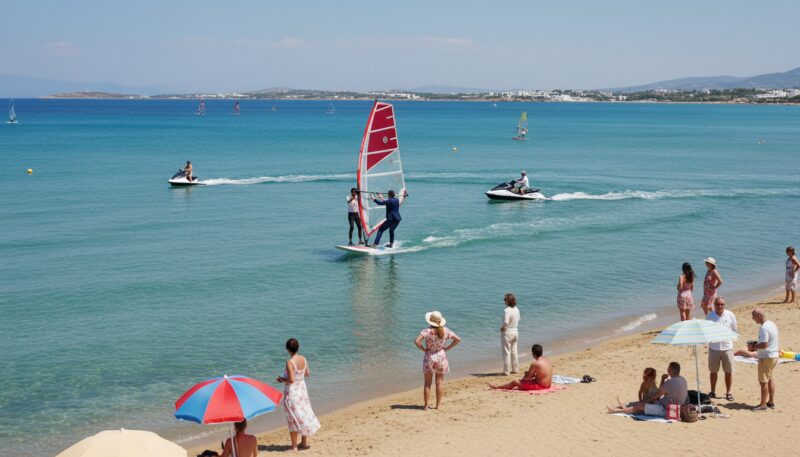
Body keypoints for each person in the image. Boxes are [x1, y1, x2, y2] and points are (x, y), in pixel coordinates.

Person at [276, 338, 320, 450]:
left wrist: (281, 379)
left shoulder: (290, 362)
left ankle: (294, 446)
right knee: (303, 415)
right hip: (302, 390)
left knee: (292, 417)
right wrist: (299, 375)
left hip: (293, 392)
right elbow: (308, 373)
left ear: (287, 349)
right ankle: (304, 443)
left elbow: (291, 380)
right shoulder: (304, 359)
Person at [414, 311, 461, 410]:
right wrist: (447, 348)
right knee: (439, 382)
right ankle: (438, 406)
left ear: (430, 321)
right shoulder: (445, 330)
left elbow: (417, 341)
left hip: (429, 356)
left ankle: (426, 406)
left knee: (427, 383)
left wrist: (423, 349)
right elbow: (458, 339)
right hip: (441, 356)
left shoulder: (426, 331)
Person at [606, 362, 688, 416]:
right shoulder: (683, 380)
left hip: (666, 410)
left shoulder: (670, 382)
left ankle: (614, 411)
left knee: (639, 406)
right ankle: (621, 407)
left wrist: (644, 402)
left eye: (668, 368)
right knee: (641, 405)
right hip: (677, 409)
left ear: (669, 370)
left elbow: (656, 396)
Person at [706, 297, 737, 400]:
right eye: (717, 304)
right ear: (714, 305)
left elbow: (734, 330)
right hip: (714, 348)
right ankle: (712, 391)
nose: (720, 306)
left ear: (724, 305)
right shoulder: (709, 317)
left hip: (727, 348)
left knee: (728, 372)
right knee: (713, 372)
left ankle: (729, 392)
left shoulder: (730, 315)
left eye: (722, 304)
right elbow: (706, 332)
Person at [751, 308, 779, 411]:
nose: (753, 319)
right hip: (774, 355)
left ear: (759, 316)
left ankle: (763, 405)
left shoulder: (764, 328)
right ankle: (770, 401)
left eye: (754, 316)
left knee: (763, 382)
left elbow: (764, 344)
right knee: (770, 379)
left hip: (767, 357)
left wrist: (754, 347)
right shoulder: (771, 324)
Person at [500, 293, 521, 375]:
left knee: (506, 351)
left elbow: (506, 321)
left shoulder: (507, 310)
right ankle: (515, 369)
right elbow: (519, 319)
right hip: (515, 331)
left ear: (508, 301)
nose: (504, 301)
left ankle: (506, 371)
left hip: (507, 332)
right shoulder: (517, 309)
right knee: (514, 351)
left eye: (505, 299)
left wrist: (503, 327)